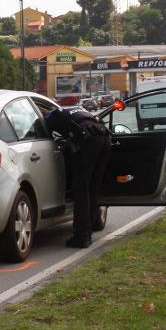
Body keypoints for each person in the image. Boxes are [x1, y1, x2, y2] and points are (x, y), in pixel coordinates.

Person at [44, 105, 111, 248]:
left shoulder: (52, 116)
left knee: (81, 190)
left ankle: (82, 237)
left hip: (88, 140)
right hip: (104, 137)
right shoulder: (72, 110)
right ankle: (90, 227)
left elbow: (46, 132)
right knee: (93, 188)